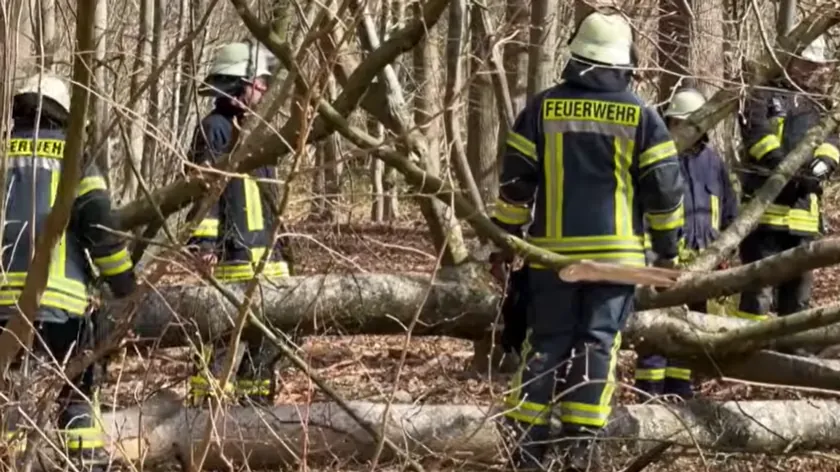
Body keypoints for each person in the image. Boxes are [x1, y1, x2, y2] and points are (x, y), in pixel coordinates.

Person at [489, 10, 685, 471]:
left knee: (546, 344)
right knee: (598, 346)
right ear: (625, 63)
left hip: (551, 256)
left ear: (575, 57)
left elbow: (516, 185)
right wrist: (667, 249)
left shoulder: (542, 107)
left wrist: (506, 242)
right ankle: (582, 452)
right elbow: (665, 191)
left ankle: (528, 452)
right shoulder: (642, 115)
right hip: (617, 260)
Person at [0, 73, 137, 471]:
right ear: (64, 114)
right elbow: (101, 232)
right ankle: (87, 463)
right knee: (76, 394)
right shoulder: (73, 158)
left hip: (2, 308)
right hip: (58, 308)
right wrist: (126, 287)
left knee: (12, 401)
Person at [185, 40, 292, 407]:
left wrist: (283, 251)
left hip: (267, 263)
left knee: (267, 347)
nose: (264, 88)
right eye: (259, 81)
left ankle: (255, 420)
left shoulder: (255, 131)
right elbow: (204, 194)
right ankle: (203, 418)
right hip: (232, 260)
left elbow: (269, 200)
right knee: (220, 345)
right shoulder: (214, 129)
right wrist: (205, 245)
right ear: (238, 82)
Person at [635, 88, 738, 400]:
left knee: (687, 333)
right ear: (670, 122)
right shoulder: (657, 158)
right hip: (663, 263)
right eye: (680, 123)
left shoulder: (713, 162)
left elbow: (729, 210)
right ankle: (649, 395)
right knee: (656, 331)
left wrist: (724, 250)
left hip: (702, 264)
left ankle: (680, 394)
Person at [735, 35, 838, 330]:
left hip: (804, 215)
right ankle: (747, 351)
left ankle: (795, 353)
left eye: (814, 66)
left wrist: (824, 164)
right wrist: (783, 166)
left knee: (797, 296)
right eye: (805, 63)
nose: (809, 70)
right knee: (758, 293)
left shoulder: (820, 103)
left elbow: (832, 139)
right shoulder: (763, 94)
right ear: (789, 58)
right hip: (765, 213)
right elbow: (756, 134)